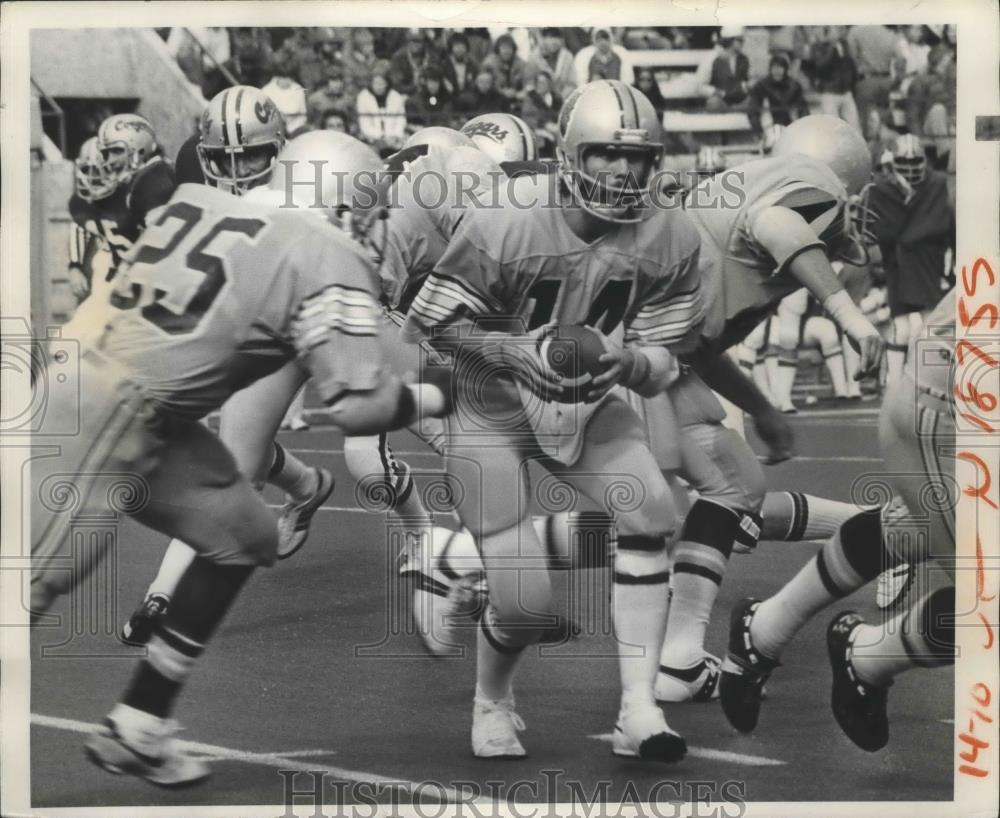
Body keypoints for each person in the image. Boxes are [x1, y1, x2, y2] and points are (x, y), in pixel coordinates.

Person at [31, 133, 454, 788]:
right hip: (98, 410)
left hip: (143, 409)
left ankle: (140, 727)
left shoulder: (210, 200)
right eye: (369, 209)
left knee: (245, 533)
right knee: (27, 590)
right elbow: (356, 407)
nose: (373, 226)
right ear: (344, 199)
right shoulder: (323, 249)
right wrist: (440, 391)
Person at [402, 79, 706, 763]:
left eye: (639, 157)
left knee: (654, 512)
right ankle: (492, 700)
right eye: (605, 154)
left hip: (585, 398)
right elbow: (430, 324)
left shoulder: (670, 233)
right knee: (523, 602)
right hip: (491, 405)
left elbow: (667, 357)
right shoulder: (507, 219)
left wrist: (627, 361)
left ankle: (639, 708)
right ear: (571, 154)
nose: (625, 171)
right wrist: (507, 348)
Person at [719, 289, 957, 750]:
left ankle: (764, 627)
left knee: (912, 528)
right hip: (950, 410)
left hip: (951, 399)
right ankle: (868, 656)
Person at [868, 132, 953, 390]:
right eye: (904, 162)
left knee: (932, 323)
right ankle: (894, 384)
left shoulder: (936, 183)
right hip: (899, 261)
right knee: (901, 327)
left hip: (928, 258)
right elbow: (882, 229)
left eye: (915, 161)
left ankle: (932, 381)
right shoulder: (882, 188)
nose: (910, 167)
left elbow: (942, 221)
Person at [66, 114, 177, 310]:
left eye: (116, 151)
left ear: (139, 147)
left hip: (153, 291)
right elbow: (80, 219)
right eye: (106, 154)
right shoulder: (128, 183)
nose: (109, 161)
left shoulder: (153, 179)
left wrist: (126, 269)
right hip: (126, 284)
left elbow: (163, 242)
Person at [846, 25, 898, 129]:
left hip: (866, 80)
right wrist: (897, 80)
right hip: (886, 80)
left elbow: (851, 58)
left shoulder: (855, 31)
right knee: (883, 121)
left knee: (863, 121)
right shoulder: (890, 34)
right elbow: (900, 59)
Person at [810, 25, 861, 131]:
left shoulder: (845, 45)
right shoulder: (817, 47)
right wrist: (832, 48)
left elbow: (851, 66)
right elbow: (821, 68)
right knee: (833, 128)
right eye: (838, 29)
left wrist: (852, 85)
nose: (841, 32)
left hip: (846, 91)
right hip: (829, 92)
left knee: (855, 127)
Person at [746, 54, 810, 135]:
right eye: (774, 68)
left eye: (780, 67)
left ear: (785, 69)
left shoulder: (794, 86)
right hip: (768, 126)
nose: (777, 71)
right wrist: (758, 131)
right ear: (770, 69)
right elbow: (753, 109)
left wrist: (803, 128)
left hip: (790, 125)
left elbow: (803, 109)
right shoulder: (761, 86)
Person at [355, 65, 408, 152]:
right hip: (372, 140)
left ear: (387, 83)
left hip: (394, 139)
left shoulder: (396, 97)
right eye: (376, 83)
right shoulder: (363, 97)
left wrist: (394, 136)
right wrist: (380, 137)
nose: (378, 87)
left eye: (381, 83)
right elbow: (364, 124)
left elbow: (401, 120)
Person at [261, 54, 309, 138]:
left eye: (289, 77)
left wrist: (290, 125)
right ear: (277, 77)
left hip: (294, 127)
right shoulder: (266, 90)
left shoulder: (298, 89)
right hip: (272, 128)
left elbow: (302, 115)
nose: (287, 81)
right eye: (283, 77)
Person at [518, 69, 562, 156]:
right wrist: (544, 125)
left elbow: (561, 116)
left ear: (549, 85)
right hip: (535, 131)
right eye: (537, 82)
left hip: (555, 131)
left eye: (542, 83)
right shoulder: (531, 98)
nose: (539, 85)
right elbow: (526, 118)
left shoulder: (556, 99)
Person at [705, 27, 750, 111]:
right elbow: (701, 86)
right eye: (739, 40)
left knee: (754, 101)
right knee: (713, 103)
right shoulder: (714, 58)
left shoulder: (744, 59)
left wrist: (745, 87)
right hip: (721, 99)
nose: (743, 43)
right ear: (730, 41)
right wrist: (719, 92)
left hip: (740, 99)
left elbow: (744, 81)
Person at [526, 28, 577, 99]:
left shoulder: (567, 56)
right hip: (539, 101)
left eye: (557, 37)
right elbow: (530, 84)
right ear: (543, 39)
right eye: (549, 37)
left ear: (562, 40)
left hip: (563, 99)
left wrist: (559, 99)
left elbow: (572, 84)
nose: (553, 41)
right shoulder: (534, 57)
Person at [389, 28, 441, 97]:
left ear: (424, 42)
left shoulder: (432, 57)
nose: (414, 44)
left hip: (429, 93)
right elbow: (397, 86)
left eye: (418, 41)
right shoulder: (398, 57)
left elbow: (437, 79)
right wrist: (414, 86)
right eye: (411, 41)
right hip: (405, 95)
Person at [482, 33, 527, 107]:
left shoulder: (521, 64)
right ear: (498, 49)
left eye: (509, 48)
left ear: (513, 49)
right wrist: (502, 92)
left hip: (516, 99)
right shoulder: (489, 63)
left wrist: (517, 93)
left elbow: (527, 83)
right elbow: (484, 86)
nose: (506, 51)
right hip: (494, 99)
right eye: (503, 48)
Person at [404, 64, 454, 130]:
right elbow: (410, 125)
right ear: (425, 82)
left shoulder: (446, 100)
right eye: (430, 81)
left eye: (435, 81)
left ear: (440, 82)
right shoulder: (413, 101)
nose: (432, 85)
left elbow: (446, 122)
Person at [307, 64, 355, 128]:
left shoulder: (348, 99)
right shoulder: (314, 99)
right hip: (321, 133)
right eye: (333, 81)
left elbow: (353, 122)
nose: (337, 84)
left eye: (340, 81)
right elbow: (309, 122)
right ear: (326, 82)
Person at [442, 31, 479, 98]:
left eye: (462, 46)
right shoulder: (444, 65)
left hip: (468, 99)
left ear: (466, 48)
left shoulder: (472, 65)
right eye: (456, 46)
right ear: (451, 48)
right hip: (449, 99)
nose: (460, 49)